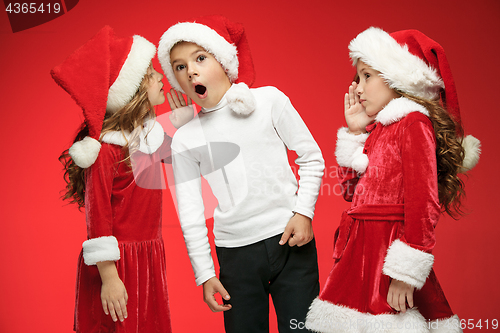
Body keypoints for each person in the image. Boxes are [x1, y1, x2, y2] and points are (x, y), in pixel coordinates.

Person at [305, 27, 481, 333]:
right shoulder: (379, 130)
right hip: (359, 250)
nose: (357, 88)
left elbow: (423, 202)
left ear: (397, 76)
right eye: (357, 77)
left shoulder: (413, 123)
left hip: (387, 251)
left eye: (366, 76)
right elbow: (351, 193)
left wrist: (405, 271)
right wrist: (356, 133)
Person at [157, 15, 325, 333]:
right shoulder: (185, 138)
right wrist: (205, 273)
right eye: (179, 66)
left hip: (291, 244)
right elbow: (191, 213)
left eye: (200, 58)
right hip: (236, 257)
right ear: (176, 79)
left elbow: (311, 158)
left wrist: (304, 212)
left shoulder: (269, 100)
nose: (190, 70)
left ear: (223, 60)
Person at [53, 26, 191, 333]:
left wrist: (184, 127)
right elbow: (97, 214)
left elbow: (183, 165)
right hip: (116, 264)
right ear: (132, 90)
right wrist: (109, 276)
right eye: (152, 73)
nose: (160, 78)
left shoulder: (148, 139)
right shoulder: (106, 150)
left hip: (147, 258)